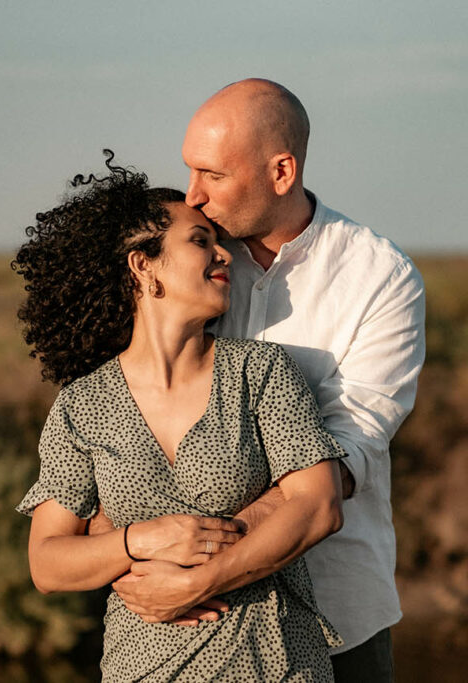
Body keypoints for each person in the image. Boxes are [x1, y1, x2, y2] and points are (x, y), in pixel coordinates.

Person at [109, 79, 426, 682]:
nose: (193, 196)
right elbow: (120, 420)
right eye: (189, 171)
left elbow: (346, 457)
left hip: (334, 620)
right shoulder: (180, 262)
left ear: (282, 171)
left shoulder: (382, 278)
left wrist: (196, 564)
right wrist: (138, 554)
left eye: (214, 175)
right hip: (171, 634)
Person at [12, 154, 347, 682]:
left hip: (274, 664)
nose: (225, 255)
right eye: (200, 241)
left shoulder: (259, 372)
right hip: (142, 667)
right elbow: (48, 563)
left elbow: (320, 505)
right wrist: (139, 541)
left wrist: (201, 581)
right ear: (142, 265)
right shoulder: (82, 406)